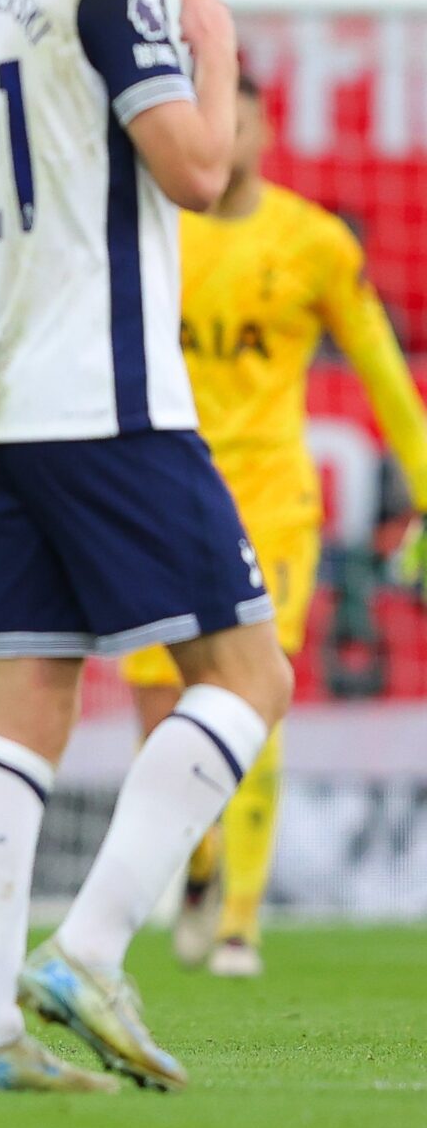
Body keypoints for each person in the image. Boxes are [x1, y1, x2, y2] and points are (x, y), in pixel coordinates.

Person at [0, 0, 289, 1094]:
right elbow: (199, 173)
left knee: (23, 704)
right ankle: (89, 947)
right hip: (110, 396)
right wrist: (218, 53)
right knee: (251, 677)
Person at [118, 74, 427, 978]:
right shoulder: (150, 230)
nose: (222, 130)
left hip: (269, 499)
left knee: (259, 690)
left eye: (236, 114)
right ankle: (201, 862)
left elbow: (382, 370)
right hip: (163, 490)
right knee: (158, 705)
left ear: (260, 126)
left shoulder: (315, 241)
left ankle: (241, 924)